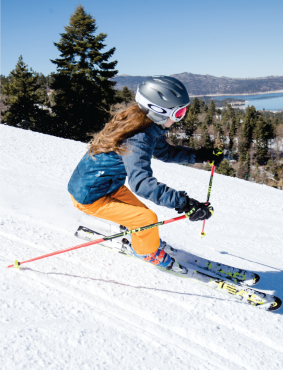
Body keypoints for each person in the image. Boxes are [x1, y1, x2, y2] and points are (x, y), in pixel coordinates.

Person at [68, 76, 223, 273]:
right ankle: (146, 252)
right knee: (147, 219)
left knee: (143, 219)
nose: (180, 118)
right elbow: (142, 184)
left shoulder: (143, 124)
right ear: (158, 111)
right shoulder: (137, 138)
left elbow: (165, 152)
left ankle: (140, 235)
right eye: (179, 113)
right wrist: (184, 203)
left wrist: (200, 156)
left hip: (106, 186)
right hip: (91, 197)